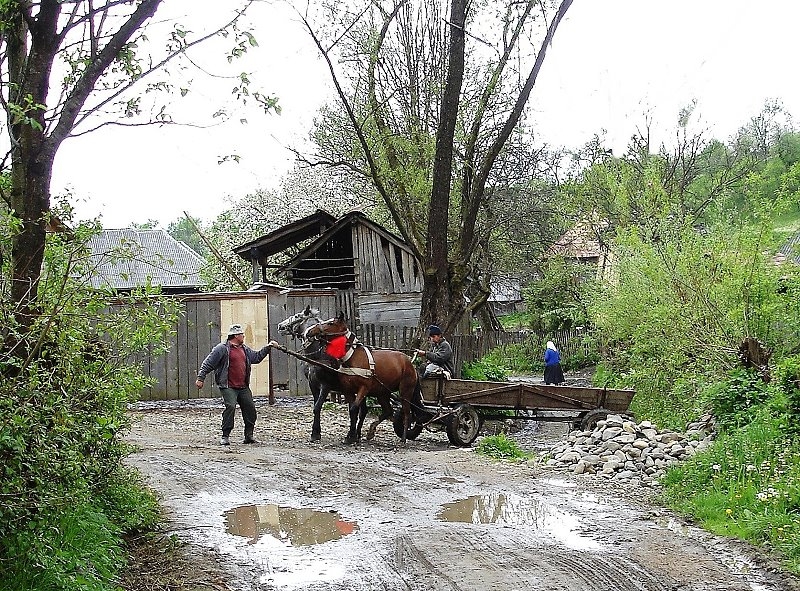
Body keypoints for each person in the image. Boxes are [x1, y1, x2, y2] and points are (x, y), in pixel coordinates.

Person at [196, 323, 279, 445]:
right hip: (228, 386)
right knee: (230, 407)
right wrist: (200, 378)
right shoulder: (222, 349)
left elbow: (256, 357)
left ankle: (249, 436)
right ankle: (225, 435)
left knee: (250, 409)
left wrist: (268, 347)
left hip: (243, 386)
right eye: (241, 334)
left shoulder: (244, 349)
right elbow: (208, 363)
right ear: (235, 336)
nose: (243, 336)